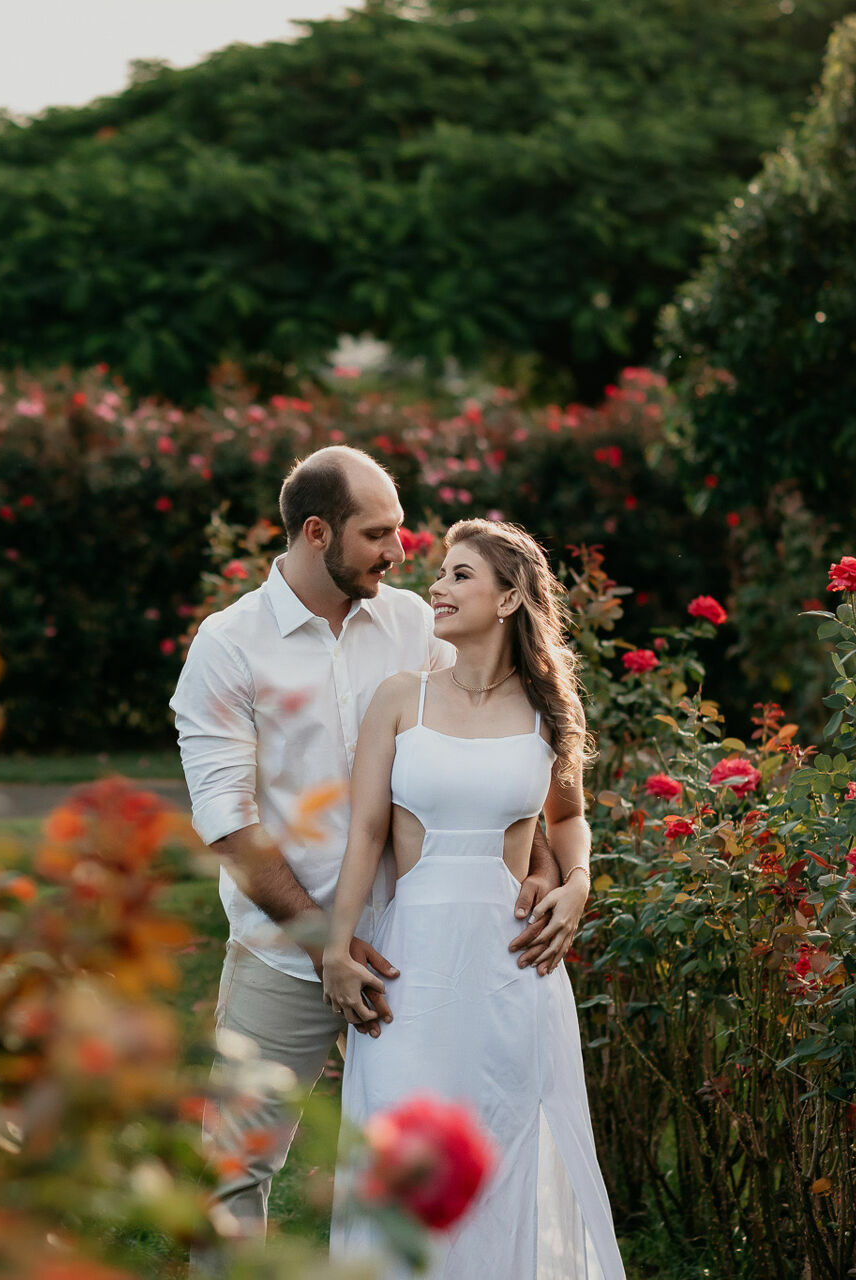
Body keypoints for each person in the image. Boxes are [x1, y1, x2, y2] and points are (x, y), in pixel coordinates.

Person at [170, 447, 583, 1269]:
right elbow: (228, 821)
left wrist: (545, 863)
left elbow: (484, 751)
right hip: (285, 952)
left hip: (421, 953)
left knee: (435, 1156)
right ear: (317, 532)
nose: (401, 552)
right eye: (379, 534)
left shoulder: (411, 624)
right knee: (234, 1166)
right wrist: (325, 940)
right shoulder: (229, 646)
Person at [321, 518, 627, 1279]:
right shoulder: (401, 699)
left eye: (460, 575)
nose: (438, 586)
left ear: (511, 598)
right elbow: (364, 836)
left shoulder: (548, 710)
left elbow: (568, 817)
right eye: (441, 573)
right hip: (411, 968)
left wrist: (578, 884)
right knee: (401, 1157)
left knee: (505, 1152)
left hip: (512, 968)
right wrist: (335, 946)